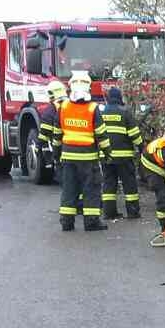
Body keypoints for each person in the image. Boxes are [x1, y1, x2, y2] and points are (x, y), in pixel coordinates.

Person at [51, 72, 112, 232]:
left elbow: (57, 135)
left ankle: (66, 222)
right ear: (89, 88)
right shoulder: (93, 109)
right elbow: (102, 134)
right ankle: (91, 222)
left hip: (68, 158)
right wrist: (107, 153)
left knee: (69, 190)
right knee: (90, 189)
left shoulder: (63, 107)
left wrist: (56, 154)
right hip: (88, 159)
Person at [100, 86, 143, 220]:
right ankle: (133, 212)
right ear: (120, 98)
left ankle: (109, 212)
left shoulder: (101, 113)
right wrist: (142, 147)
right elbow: (134, 134)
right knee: (129, 184)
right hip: (124, 156)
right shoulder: (125, 112)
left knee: (109, 184)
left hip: (106, 156)